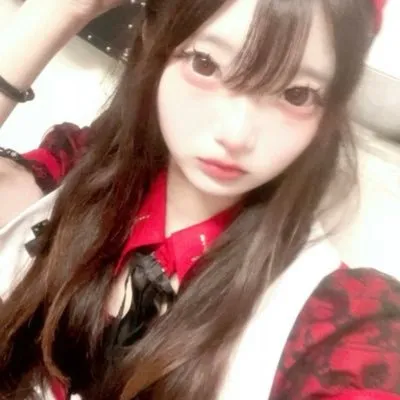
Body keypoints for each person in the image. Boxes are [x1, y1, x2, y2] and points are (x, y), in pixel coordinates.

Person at [0, 0, 399, 399]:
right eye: (205, 64)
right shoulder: (77, 168)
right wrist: (56, 13)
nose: (236, 134)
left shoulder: (340, 325)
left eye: (297, 94)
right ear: (155, 41)